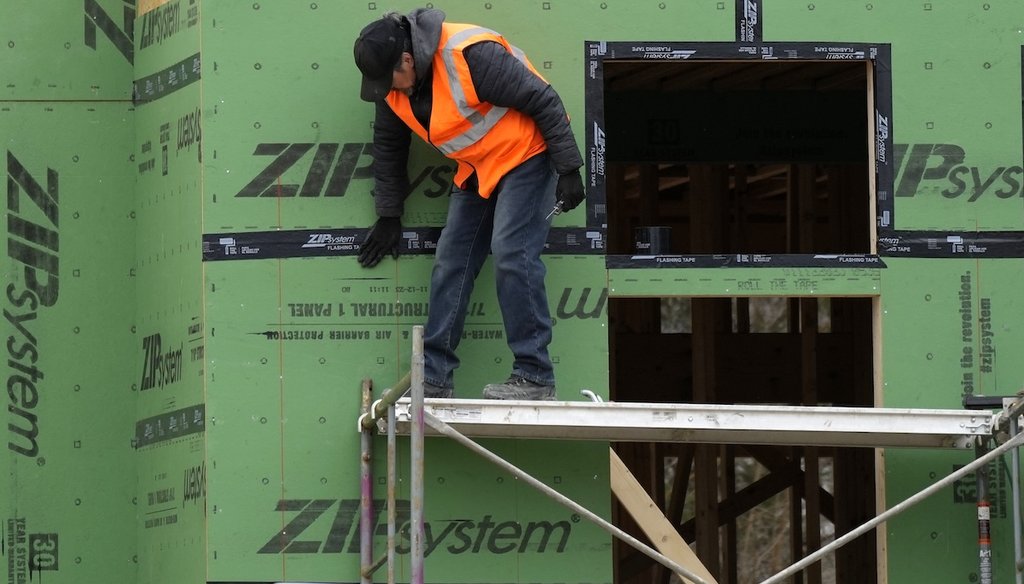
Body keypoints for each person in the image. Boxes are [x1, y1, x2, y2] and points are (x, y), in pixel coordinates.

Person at [352, 8, 585, 400]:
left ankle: (535, 376)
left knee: (512, 253)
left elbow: (543, 99)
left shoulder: (468, 55)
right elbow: (390, 148)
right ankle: (434, 379)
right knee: (451, 262)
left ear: (406, 60)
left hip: (527, 155)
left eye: (388, 79)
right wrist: (389, 214)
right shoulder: (392, 92)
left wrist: (569, 168)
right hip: (478, 168)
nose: (384, 89)